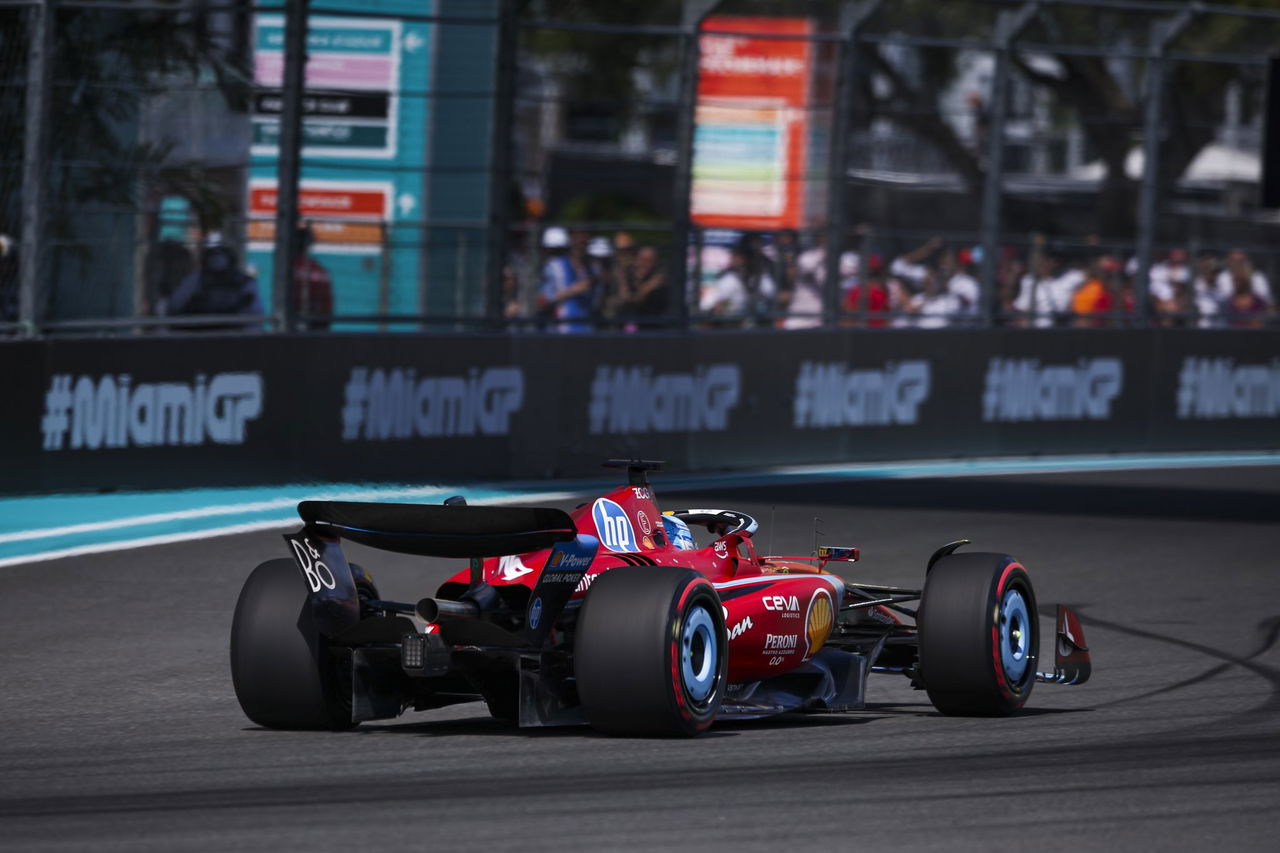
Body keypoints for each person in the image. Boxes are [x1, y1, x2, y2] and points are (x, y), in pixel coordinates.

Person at [162, 238, 262, 323]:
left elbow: (255, 317)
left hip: (237, 334)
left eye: (222, 274)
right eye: (213, 274)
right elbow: (174, 307)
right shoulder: (197, 279)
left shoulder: (244, 282)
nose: (218, 279)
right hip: (199, 333)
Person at [536, 226, 592, 333]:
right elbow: (544, 300)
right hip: (564, 329)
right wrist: (574, 290)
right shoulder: (552, 267)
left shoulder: (586, 268)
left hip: (584, 327)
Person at [614, 243, 668, 329]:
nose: (644, 264)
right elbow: (626, 298)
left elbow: (638, 298)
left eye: (649, 261)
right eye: (641, 259)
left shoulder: (659, 278)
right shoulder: (626, 275)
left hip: (652, 328)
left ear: (655, 263)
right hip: (625, 327)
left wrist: (646, 287)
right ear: (635, 259)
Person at [290, 226, 333, 330]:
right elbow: (327, 306)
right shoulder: (319, 270)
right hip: (316, 324)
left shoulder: (289, 269)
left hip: (296, 322)